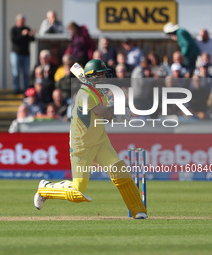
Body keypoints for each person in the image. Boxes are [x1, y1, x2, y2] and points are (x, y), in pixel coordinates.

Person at [33, 59, 147, 219]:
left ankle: (138, 211)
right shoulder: (84, 95)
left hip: (100, 142)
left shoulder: (100, 92)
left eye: (105, 74)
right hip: (82, 146)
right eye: (100, 75)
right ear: (92, 77)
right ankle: (45, 189)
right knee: (78, 191)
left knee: (120, 171)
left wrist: (119, 113)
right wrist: (120, 110)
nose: (105, 78)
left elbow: (107, 117)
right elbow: (104, 113)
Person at [10, 14, 35, 94]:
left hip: (26, 54)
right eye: (21, 21)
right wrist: (22, 34)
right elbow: (14, 40)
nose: (23, 23)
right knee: (16, 72)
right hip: (16, 54)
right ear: (17, 21)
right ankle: (16, 89)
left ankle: (26, 90)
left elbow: (32, 40)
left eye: (24, 21)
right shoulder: (14, 29)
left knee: (26, 73)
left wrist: (31, 35)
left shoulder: (27, 28)